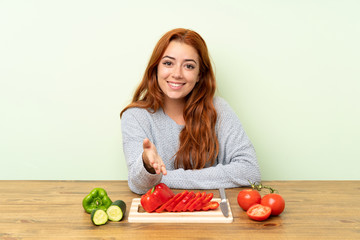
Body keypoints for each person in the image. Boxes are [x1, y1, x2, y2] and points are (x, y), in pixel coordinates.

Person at [120, 28, 261, 194]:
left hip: (210, 211)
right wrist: (145, 164)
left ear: (199, 74)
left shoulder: (218, 109)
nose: (177, 74)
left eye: (188, 66)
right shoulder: (135, 117)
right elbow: (138, 184)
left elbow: (250, 171)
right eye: (168, 63)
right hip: (160, 216)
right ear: (156, 67)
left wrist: (160, 178)